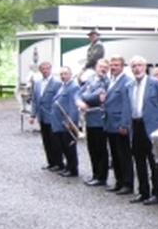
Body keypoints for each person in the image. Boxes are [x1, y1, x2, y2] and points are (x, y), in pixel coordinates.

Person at [128, 56, 158, 205]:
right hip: (136, 125)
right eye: (134, 66)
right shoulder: (129, 85)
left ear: (145, 66)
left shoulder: (157, 84)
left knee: (155, 162)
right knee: (139, 160)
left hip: (153, 127)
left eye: (139, 65)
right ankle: (143, 191)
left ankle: (157, 193)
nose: (137, 69)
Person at [101, 55, 134, 195]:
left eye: (116, 65)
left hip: (119, 123)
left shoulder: (126, 82)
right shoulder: (111, 81)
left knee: (124, 155)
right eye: (112, 65)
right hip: (110, 122)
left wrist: (125, 124)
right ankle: (119, 181)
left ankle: (127, 183)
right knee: (115, 155)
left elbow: (127, 105)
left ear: (122, 67)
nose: (113, 67)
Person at [77, 58, 110, 186]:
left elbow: (96, 98)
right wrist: (80, 101)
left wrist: (85, 97)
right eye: (101, 66)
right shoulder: (91, 80)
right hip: (90, 119)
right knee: (92, 149)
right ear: (96, 67)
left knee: (100, 149)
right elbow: (78, 93)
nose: (103, 69)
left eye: (105, 67)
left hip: (99, 120)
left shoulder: (106, 82)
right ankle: (95, 173)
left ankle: (101, 177)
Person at [29, 61, 63, 171]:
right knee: (46, 140)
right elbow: (35, 100)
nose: (45, 71)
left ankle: (59, 163)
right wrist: (32, 115)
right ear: (40, 70)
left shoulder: (57, 83)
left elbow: (59, 100)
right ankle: (51, 162)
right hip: (42, 116)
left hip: (52, 116)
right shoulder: (38, 83)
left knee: (55, 141)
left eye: (47, 68)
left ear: (50, 69)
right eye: (43, 69)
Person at [51, 66, 81, 178]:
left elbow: (73, 106)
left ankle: (73, 169)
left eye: (65, 74)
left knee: (69, 146)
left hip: (67, 122)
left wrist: (71, 121)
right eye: (61, 74)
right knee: (63, 145)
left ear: (70, 74)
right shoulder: (63, 86)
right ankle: (68, 166)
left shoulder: (73, 87)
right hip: (60, 121)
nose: (63, 76)